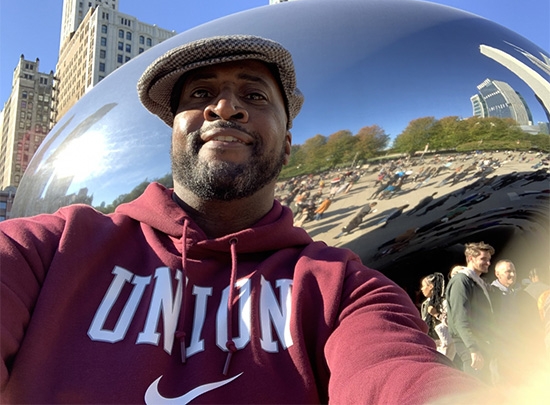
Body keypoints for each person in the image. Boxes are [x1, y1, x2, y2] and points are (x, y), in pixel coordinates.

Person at [1, 35, 484, 404]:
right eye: (201, 94)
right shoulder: (49, 247)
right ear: (174, 133)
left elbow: (402, 373)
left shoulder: (347, 290)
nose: (225, 106)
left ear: (288, 142)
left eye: (254, 96)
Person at [446, 241, 495, 384]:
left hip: (479, 341)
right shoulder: (461, 281)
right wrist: (473, 349)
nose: (488, 263)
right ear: (470, 259)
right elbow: (460, 318)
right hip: (469, 344)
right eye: (483, 259)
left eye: (489, 259)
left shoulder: (476, 282)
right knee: (476, 387)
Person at [420, 273, 456, 360]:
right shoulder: (425, 304)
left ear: (431, 286)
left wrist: (436, 314)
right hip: (431, 343)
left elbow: (451, 322)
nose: (421, 289)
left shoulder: (444, 303)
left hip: (445, 343)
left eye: (423, 286)